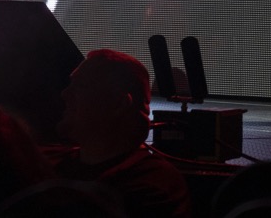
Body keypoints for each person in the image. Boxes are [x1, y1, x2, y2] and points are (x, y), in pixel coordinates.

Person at [54, 49, 192, 218]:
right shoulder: (54, 163)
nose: (65, 94)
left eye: (80, 86)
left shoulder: (152, 185)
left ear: (119, 104)